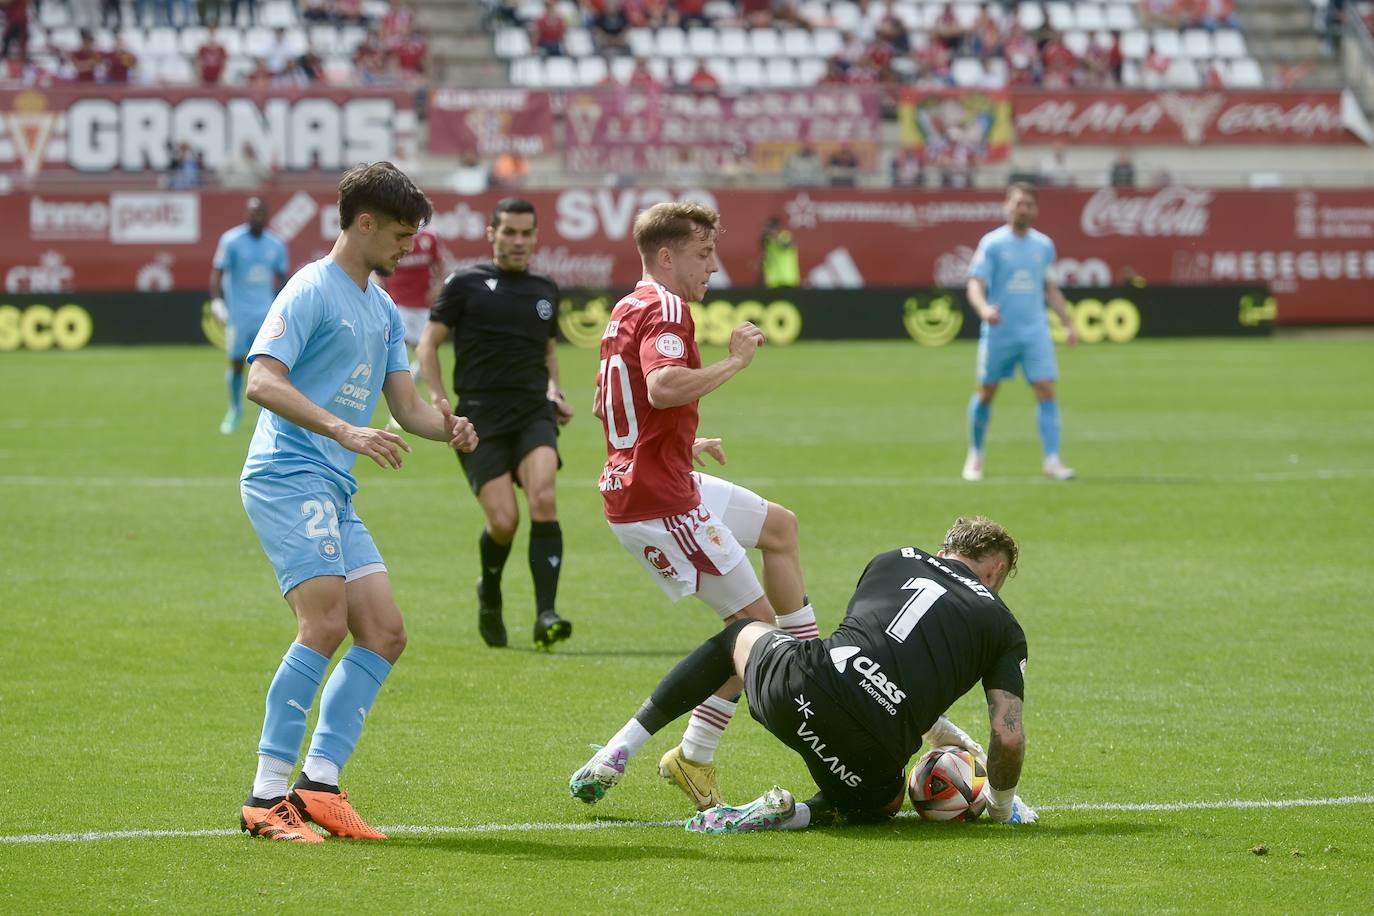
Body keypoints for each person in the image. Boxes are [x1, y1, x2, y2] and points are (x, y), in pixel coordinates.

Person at [236, 161, 478, 843]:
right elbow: (261, 381)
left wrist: (449, 427)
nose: (410, 248)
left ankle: (317, 784)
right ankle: (265, 796)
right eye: (401, 234)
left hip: (332, 484)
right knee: (325, 623)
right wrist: (345, 428)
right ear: (363, 223)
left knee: (385, 632)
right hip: (288, 472)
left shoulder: (380, 305)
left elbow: (404, 407)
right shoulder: (311, 288)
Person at [572, 201, 819, 812]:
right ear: (666, 256)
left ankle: (815, 660)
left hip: (651, 477)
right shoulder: (667, 306)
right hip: (661, 499)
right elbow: (660, 386)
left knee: (780, 528)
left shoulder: (625, 308)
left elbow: (611, 404)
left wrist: (681, 438)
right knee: (751, 634)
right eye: (703, 254)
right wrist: (733, 361)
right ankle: (664, 751)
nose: (715, 266)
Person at [570, 516, 1038, 833]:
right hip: (871, 756)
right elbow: (1007, 735)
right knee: (880, 803)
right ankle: (789, 813)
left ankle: (620, 749)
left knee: (738, 635)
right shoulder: (1001, 623)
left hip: (797, 691)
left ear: (945, 549)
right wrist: (1000, 808)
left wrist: (938, 728)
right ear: (996, 572)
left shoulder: (895, 557)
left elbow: (866, 654)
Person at [416, 198, 574, 651]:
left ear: (535, 236)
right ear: (493, 234)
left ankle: (546, 614)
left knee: (544, 497)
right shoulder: (465, 284)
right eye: (510, 233)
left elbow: (547, 350)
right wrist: (439, 400)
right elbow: (428, 345)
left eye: (527, 233)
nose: (519, 241)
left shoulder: (545, 288)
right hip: (479, 417)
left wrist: (555, 392)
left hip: (532, 413)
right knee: (504, 521)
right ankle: (490, 590)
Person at [962, 182, 1078, 482]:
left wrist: (1067, 321)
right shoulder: (992, 243)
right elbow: (975, 284)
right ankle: (975, 454)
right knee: (986, 392)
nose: (1023, 208)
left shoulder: (1043, 246)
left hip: (1035, 331)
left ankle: (1052, 460)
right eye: (1018, 203)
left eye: (1028, 204)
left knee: (1046, 389)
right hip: (1000, 331)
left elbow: (1049, 287)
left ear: (1036, 210)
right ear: (1007, 206)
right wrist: (984, 310)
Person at [210, 197, 288, 434]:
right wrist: (217, 301)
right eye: (253, 213)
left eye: (261, 213)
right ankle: (234, 410)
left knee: (269, 365)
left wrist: (280, 305)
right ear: (246, 214)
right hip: (238, 315)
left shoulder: (276, 244)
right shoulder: (231, 240)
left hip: (266, 315)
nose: (257, 217)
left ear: (267, 216)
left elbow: (283, 277)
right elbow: (218, 271)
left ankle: (265, 414)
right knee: (236, 363)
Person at [380, 223, 447, 427]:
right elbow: (380, 270)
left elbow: (440, 266)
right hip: (398, 305)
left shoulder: (430, 238)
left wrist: (438, 287)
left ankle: (404, 406)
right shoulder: (395, 237)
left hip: (423, 307)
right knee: (399, 356)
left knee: (424, 354)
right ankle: (400, 409)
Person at [758, 216, 800, 288]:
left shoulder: (785, 236)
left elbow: (787, 245)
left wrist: (775, 236)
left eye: (771, 227)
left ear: (778, 227)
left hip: (788, 279)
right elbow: (766, 256)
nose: (768, 229)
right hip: (772, 281)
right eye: (768, 227)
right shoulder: (768, 241)